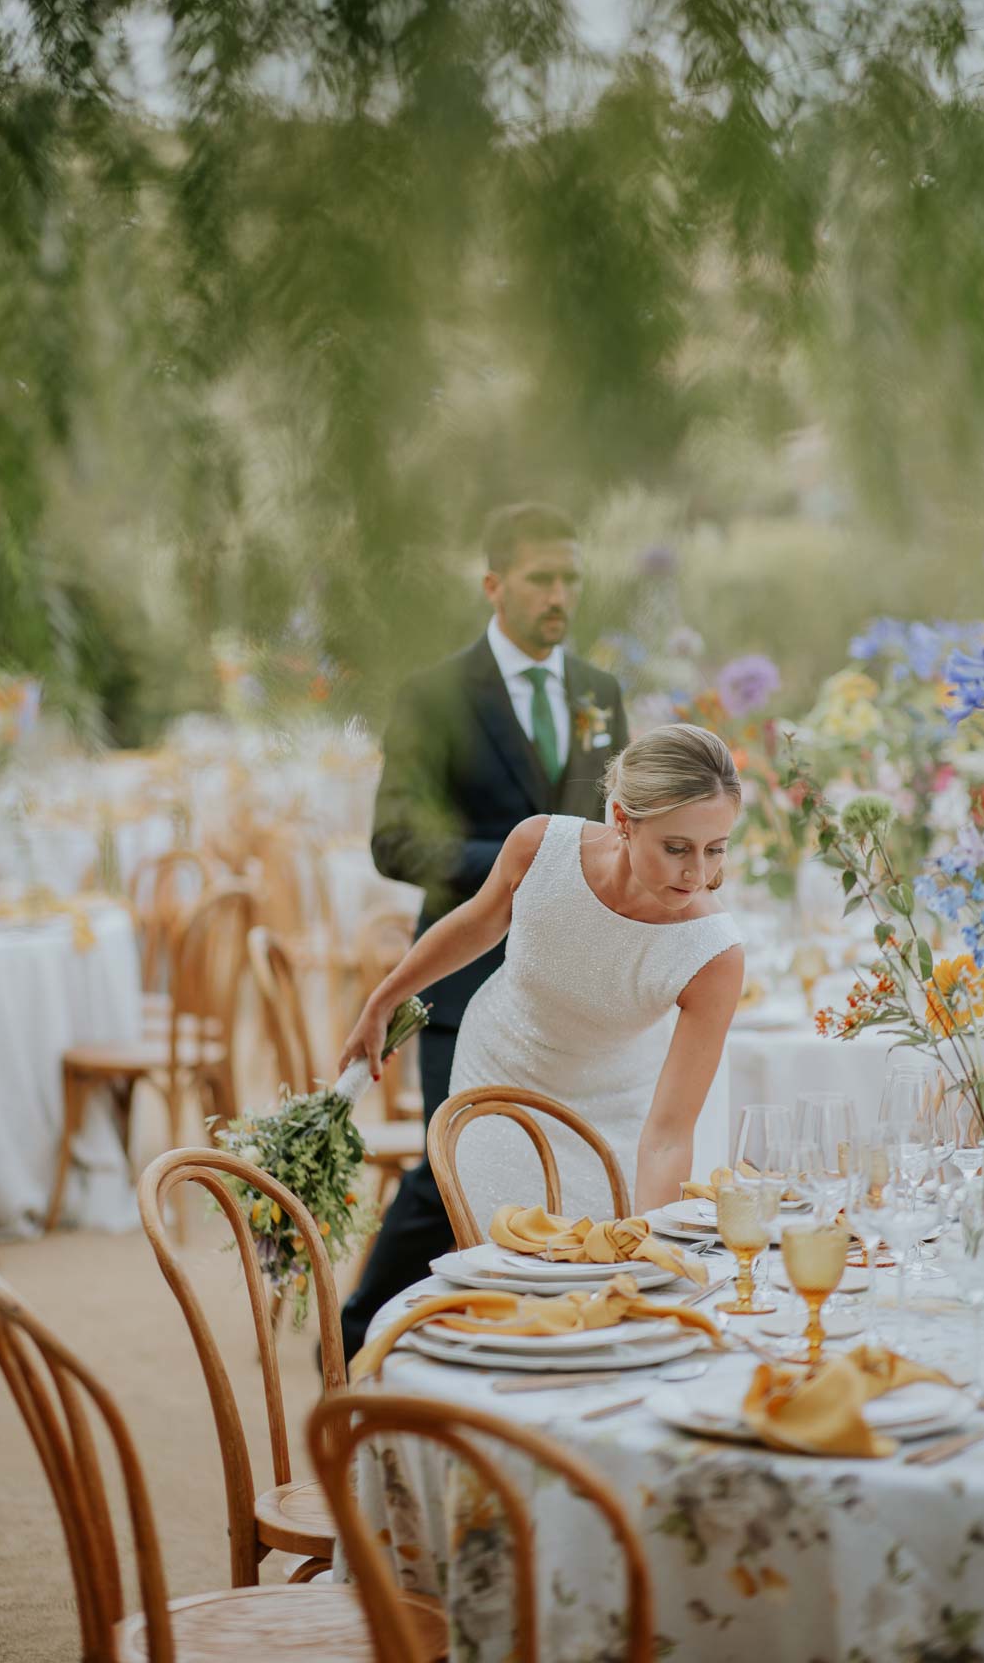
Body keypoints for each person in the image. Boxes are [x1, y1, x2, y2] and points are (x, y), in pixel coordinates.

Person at [339, 501, 626, 1362]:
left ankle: (541, 1341)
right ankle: (358, 1341)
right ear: (494, 584)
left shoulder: (599, 694)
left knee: (566, 1171)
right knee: (454, 1172)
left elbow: (616, 823)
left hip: (575, 982)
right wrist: (519, 862)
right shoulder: (433, 694)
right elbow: (394, 839)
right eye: (542, 577)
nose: (560, 594)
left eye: (571, 577)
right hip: (462, 983)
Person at [340, 723, 744, 1246]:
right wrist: (382, 1000)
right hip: (499, 1084)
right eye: (677, 848)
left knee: (605, 1283)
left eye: (716, 849)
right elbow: (473, 925)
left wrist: (652, 1249)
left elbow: (667, 1138)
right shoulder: (538, 848)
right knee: (504, 1276)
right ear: (623, 820)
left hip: (619, 1123)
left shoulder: (713, 954)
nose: (697, 873)